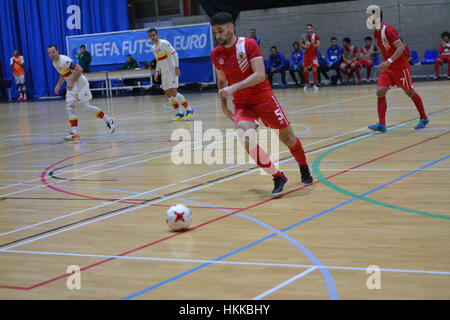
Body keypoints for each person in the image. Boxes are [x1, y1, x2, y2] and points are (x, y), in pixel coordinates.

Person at [210, 12, 313, 198]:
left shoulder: (248, 44)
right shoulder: (216, 54)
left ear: (231, 28)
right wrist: (224, 105)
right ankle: (278, 176)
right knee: (245, 136)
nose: (218, 36)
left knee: (289, 139)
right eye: (215, 32)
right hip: (242, 103)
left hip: (264, 98)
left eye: (220, 31)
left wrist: (235, 87)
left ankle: (303, 166)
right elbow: (221, 81)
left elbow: (259, 74)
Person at [365, 5, 428, 132]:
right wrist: (386, 63)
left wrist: (388, 61)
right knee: (380, 91)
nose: (367, 19)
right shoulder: (375, 33)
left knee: (410, 92)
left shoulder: (388, 30)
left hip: (400, 67)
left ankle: (424, 117)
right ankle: (382, 124)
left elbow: (401, 47)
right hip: (388, 69)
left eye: (369, 17)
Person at [47, 45, 115, 141]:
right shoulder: (54, 63)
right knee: (70, 107)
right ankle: (75, 133)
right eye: (49, 53)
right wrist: (58, 85)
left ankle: (108, 120)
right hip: (71, 85)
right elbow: (63, 75)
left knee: (86, 107)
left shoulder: (64, 60)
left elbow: (79, 69)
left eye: (53, 52)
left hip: (80, 83)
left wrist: (72, 82)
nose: (51, 54)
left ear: (57, 51)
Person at [148, 28, 194, 120]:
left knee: (173, 92)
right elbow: (158, 61)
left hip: (171, 69)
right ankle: (179, 113)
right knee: (167, 93)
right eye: (150, 36)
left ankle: (189, 109)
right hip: (164, 72)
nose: (152, 37)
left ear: (157, 35)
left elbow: (175, 54)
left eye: (153, 35)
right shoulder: (153, 48)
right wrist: (157, 72)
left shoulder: (164, 43)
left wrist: (176, 67)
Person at [300, 24, 320, 90]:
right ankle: (307, 84)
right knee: (305, 69)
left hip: (313, 55)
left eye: (310, 28)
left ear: (312, 29)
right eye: (307, 28)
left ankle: (315, 84)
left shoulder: (315, 36)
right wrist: (304, 46)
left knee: (314, 69)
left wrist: (312, 44)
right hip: (306, 54)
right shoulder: (304, 36)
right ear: (306, 29)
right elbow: (300, 43)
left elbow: (319, 45)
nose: (309, 29)